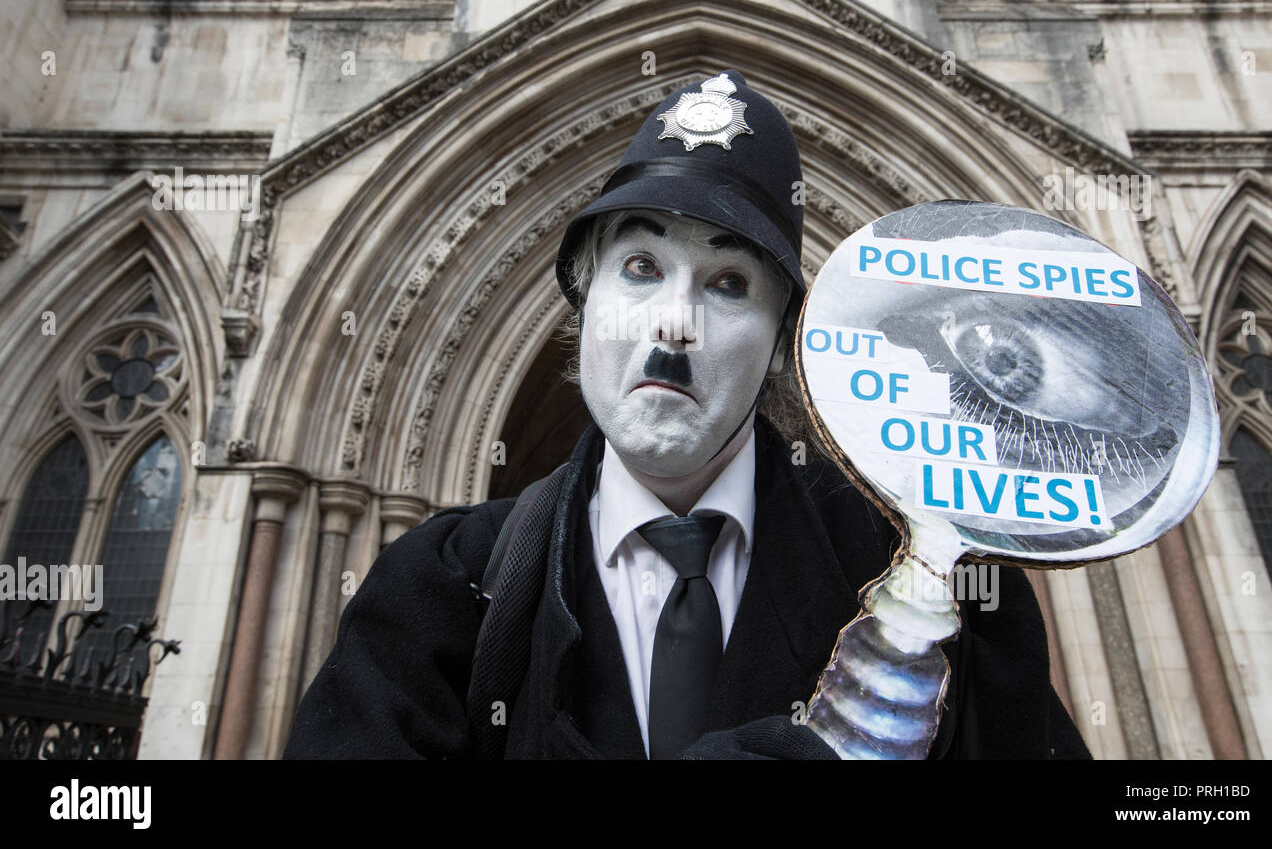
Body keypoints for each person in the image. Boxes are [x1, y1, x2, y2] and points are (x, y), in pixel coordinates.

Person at [283, 69, 1091, 760]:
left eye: (729, 284)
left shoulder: (924, 577)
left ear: (783, 342)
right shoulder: (441, 585)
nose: (673, 321)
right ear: (584, 301)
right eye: (640, 267)